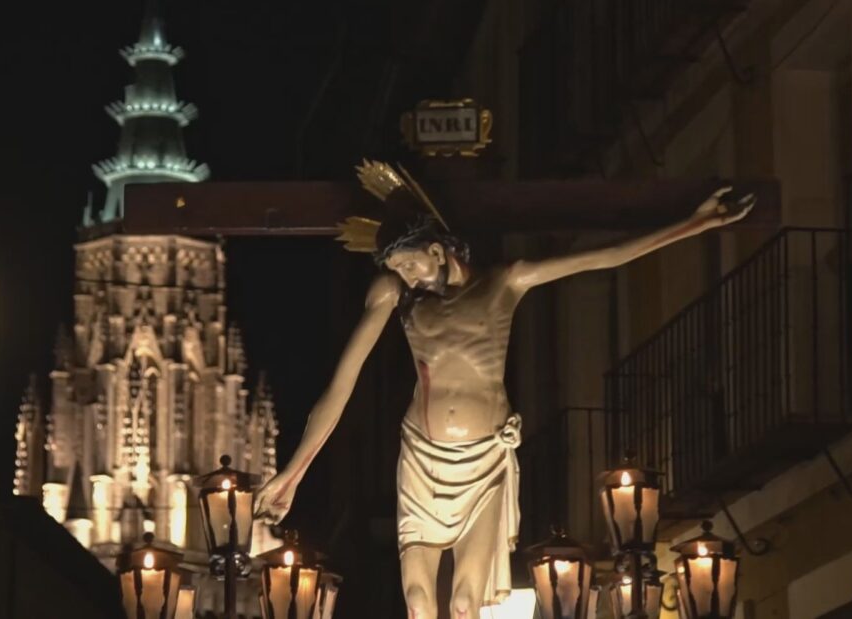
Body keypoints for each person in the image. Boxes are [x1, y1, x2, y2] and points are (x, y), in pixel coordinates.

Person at [253, 160, 754, 619]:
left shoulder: (506, 283)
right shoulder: (398, 300)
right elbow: (343, 383)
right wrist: (294, 474)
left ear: (436, 250)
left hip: (484, 463)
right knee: (419, 600)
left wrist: (698, 223)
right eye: (398, 271)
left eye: (409, 265)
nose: (405, 277)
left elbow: (606, 258)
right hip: (422, 458)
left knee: (467, 603)